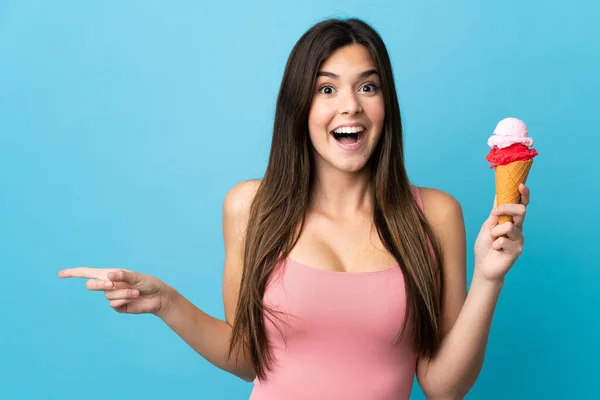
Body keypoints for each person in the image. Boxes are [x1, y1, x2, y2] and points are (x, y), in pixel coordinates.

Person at [58, 18, 529, 400]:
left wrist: (490, 278)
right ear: (299, 106)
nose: (351, 107)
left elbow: (444, 388)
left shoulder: (435, 215)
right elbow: (247, 358)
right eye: (327, 90)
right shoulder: (251, 206)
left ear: (387, 104)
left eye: (368, 87)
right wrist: (165, 303)